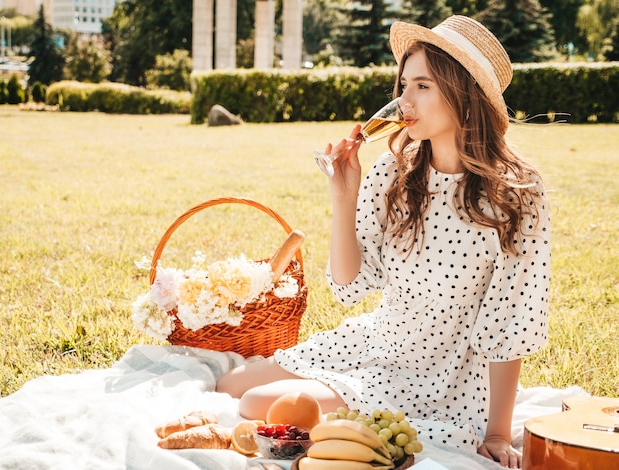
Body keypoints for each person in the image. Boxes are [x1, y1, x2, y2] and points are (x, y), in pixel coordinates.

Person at [217, 15, 550, 469]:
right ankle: (346, 418)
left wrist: (496, 432)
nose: (403, 100)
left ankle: (354, 430)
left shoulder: (516, 194)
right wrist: (344, 196)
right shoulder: (393, 172)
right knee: (230, 385)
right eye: (403, 84)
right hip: (376, 339)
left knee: (256, 403)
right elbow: (350, 287)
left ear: (463, 93)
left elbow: (508, 324)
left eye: (422, 87)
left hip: (440, 373)